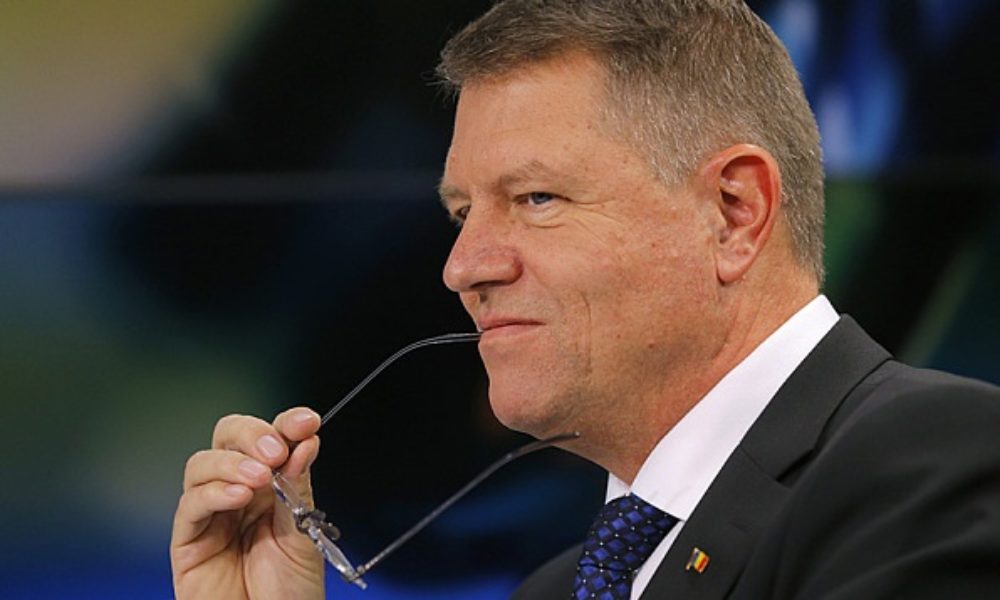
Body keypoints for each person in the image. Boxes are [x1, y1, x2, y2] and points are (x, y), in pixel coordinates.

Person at [170, 1, 1000, 598]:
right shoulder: (563, 585)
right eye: (462, 214)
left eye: (536, 199)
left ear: (734, 211)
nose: (463, 267)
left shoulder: (941, 465)